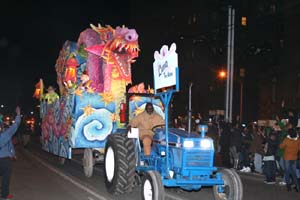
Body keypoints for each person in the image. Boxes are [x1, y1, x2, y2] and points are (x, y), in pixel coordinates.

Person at [0, 106, 21, 199]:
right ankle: (4, 195)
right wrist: (18, 114)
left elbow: (10, 146)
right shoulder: (5, 134)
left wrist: (13, 154)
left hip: (5, 158)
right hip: (4, 160)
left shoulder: (5, 133)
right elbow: (15, 125)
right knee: (6, 177)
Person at [279, 127, 300, 192]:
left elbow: (281, 147)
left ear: (289, 134)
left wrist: (287, 138)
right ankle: (296, 186)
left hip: (287, 158)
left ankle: (288, 187)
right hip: (294, 158)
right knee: (294, 172)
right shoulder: (298, 140)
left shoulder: (287, 140)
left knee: (287, 172)